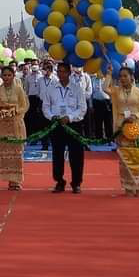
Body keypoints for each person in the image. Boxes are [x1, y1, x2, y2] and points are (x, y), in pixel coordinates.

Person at [102, 64, 139, 196]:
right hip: (121, 129)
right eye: (120, 77)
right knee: (125, 159)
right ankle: (128, 187)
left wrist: (137, 115)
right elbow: (105, 88)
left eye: (125, 76)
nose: (122, 79)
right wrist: (109, 74)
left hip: (137, 129)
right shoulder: (116, 91)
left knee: (138, 158)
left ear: (131, 77)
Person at [42, 60, 87, 193]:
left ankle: (76, 183)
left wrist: (70, 117)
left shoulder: (77, 88)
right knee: (57, 154)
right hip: (57, 125)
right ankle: (59, 181)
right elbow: (45, 107)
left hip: (74, 125)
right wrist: (52, 117)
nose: (61, 74)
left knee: (76, 155)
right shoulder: (50, 89)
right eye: (59, 71)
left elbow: (82, 108)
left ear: (69, 72)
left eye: (64, 71)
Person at [0, 65, 29, 190]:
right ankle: (8, 179)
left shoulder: (19, 90)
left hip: (16, 125)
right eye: (4, 75)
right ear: (1, 76)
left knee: (16, 153)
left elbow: (25, 106)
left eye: (9, 75)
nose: (7, 77)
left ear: (13, 76)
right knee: (5, 153)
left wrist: (14, 110)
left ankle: (16, 181)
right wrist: (1, 109)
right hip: (3, 125)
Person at [89, 72, 111, 142]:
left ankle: (109, 138)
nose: (100, 72)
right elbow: (91, 93)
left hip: (107, 102)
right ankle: (99, 138)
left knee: (108, 121)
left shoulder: (107, 79)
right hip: (97, 102)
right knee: (98, 121)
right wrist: (91, 105)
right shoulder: (93, 80)